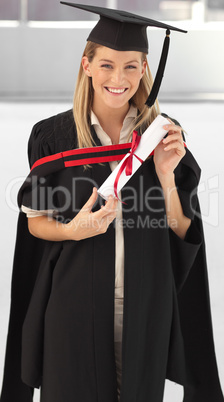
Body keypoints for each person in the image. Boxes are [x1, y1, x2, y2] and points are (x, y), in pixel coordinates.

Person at [1, 3, 223, 402]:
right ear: (86, 65)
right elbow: (34, 221)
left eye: (130, 67)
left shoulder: (162, 137)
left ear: (144, 71)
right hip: (73, 305)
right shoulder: (54, 137)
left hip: (145, 307)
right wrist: (73, 230)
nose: (118, 78)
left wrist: (167, 176)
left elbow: (185, 230)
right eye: (106, 65)